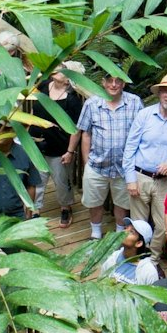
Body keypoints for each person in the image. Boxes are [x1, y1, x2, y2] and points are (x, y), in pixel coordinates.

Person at [123, 73, 167, 260]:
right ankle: (135, 258)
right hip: (140, 177)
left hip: (165, 181)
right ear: (159, 93)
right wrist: (130, 179)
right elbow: (130, 147)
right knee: (139, 224)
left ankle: (152, 260)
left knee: (163, 225)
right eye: (166, 92)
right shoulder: (144, 115)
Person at [67, 69, 143, 240]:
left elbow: (142, 133)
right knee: (94, 202)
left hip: (124, 167)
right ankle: (95, 233)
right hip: (96, 164)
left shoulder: (135, 103)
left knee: (122, 203)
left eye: (118, 80)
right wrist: (87, 163)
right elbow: (85, 133)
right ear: (103, 82)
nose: (114, 84)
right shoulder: (92, 104)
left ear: (124, 83)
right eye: (110, 80)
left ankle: (118, 235)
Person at [105, 217, 161, 333]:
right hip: (115, 320)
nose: (125, 232)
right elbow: (101, 286)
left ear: (138, 243)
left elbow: (151, 305)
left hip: (137, 324)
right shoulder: (114, 258)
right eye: (126, 228)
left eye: (131, 232)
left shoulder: (147, 270)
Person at [36, 65, 84, 228]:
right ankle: (35, 210)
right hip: (38, 144)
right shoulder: (43, 87)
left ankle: (65, 208)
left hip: (60, 148)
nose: (58, 70)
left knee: (62, 181)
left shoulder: (72, 100)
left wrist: (70, 151)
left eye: (63, 70)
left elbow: (76, 128)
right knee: (37, 180)